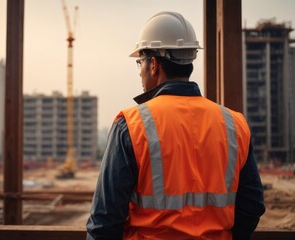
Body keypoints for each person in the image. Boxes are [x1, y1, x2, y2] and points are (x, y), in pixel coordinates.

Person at [86, 11, 265, 240]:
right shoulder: (234, 124)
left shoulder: (131, 125)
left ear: (153, 65)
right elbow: (252, 205)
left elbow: (105, 220)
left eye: (140, 62)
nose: (140, 71)